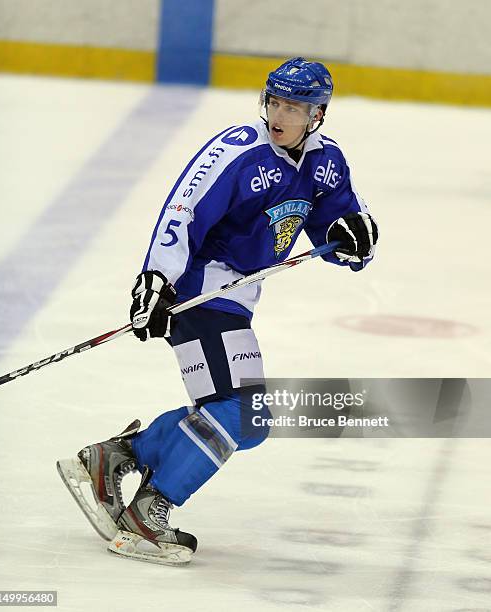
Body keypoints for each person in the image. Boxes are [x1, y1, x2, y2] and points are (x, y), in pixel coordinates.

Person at [57, 57, 378, 566]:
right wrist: (156, 280)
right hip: (198, 292)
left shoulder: (327, 161)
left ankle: (114, 459)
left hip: (236, 300)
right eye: (274, 100)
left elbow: (339, 228)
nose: (279, 113)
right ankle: (148, 511)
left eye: (293, 106)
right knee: (239, 412)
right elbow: (182, 211)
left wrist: (355, 238)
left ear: (317, 114)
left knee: (249, 423)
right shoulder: (237, 151)